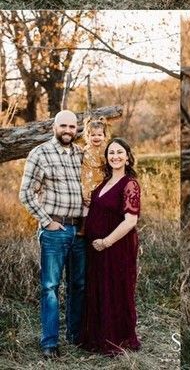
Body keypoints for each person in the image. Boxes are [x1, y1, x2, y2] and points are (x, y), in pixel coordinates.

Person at [18, 110, 86, 358]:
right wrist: (47, 222)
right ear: (54, 127)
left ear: (77, 129)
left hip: (80, 231)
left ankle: (75, 335)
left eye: (72, 126)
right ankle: (49, 343)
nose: (68, 130)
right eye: (63, 126)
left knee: (78, 285)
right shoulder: (40, 153)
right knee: (50, 287)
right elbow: (25, 193)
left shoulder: (81, 155)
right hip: (54, 231)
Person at [80, 137, 142, 356]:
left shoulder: (129, 184)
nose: (115, 156)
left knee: (114, 289)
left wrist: (106, 242)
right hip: (95, 248)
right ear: (106, 158)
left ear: (127, 157)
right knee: (99, 289)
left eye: (119, 152)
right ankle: (97, 336)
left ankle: (116, 338)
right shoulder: (104, 181)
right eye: (111, 153)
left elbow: (130, 221)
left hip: (115, 246)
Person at [79, 117, 109, 222]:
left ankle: (98, 223)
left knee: (97, 204)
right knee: (85, 205)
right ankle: (84, 226)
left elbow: (107, 165)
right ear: (87, 136)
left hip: (98, 179)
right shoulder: (86, 148)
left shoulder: (104, 149)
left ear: (104, 136)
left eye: (99, 135)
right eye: (93, 135)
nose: (96, 137)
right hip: (86, 180)